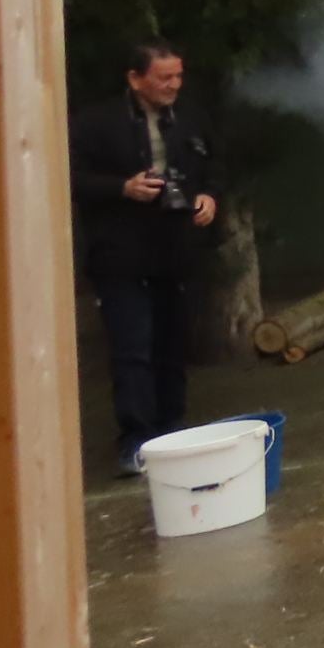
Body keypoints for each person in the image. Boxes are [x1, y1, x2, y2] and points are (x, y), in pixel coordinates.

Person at [69, 40, 222, 476]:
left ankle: (174, 430)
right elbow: (71, 177)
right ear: (135, 79)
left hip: (175, 249)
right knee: (132, 347)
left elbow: (215, 166)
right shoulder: (95, 123)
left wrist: (209, 196)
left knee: (173, 344)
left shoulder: (190, 117)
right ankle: (136, 439)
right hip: (120, 253)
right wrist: (123, 188)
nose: (174, 85)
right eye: (164, 77)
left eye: (178, 76)